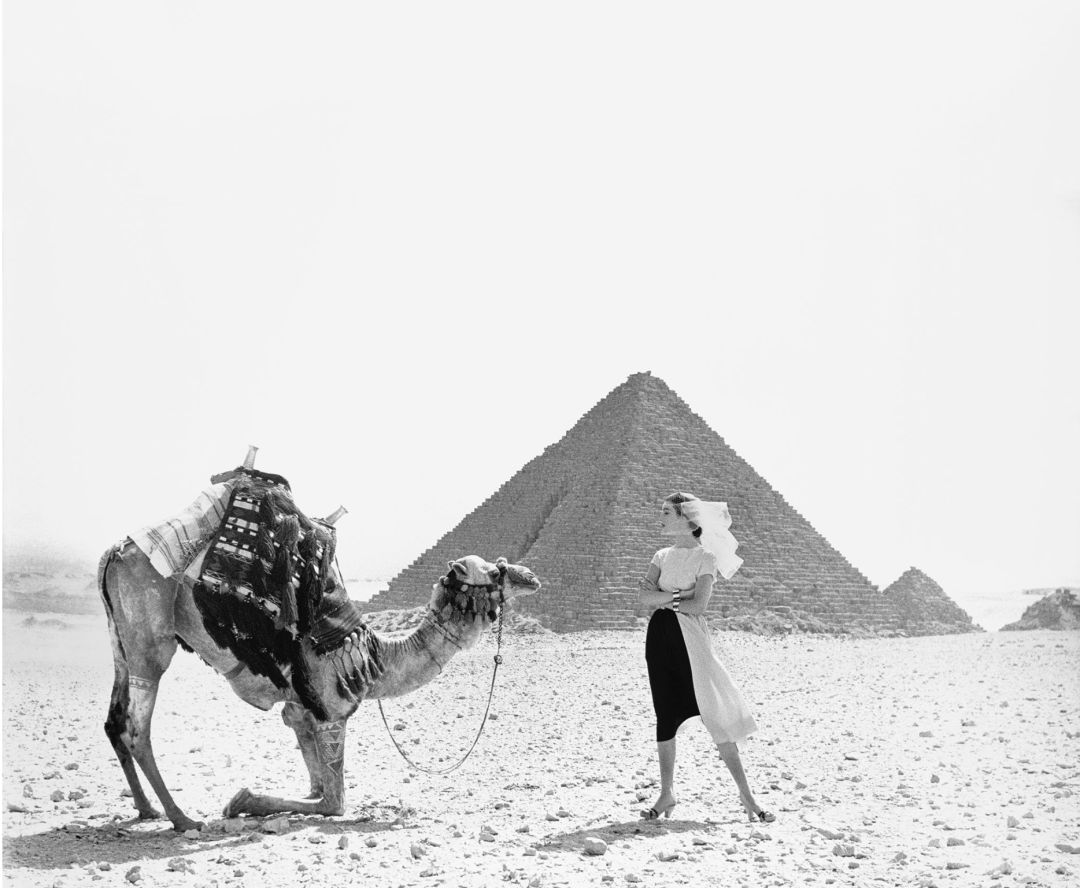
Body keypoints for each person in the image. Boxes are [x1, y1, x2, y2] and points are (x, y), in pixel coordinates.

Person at [638, 492, 775, 823]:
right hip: (659, 638)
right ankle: (666, 793)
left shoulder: (706, 558)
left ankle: (747, 796)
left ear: (687, 518)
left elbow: (699, 605)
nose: (660, 517)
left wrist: (664, 598)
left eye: (666, 512)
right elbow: (643, 597)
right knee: (665, 714)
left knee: (713, 712)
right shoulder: (660, 555)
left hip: (690, 639)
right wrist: (679, 596)